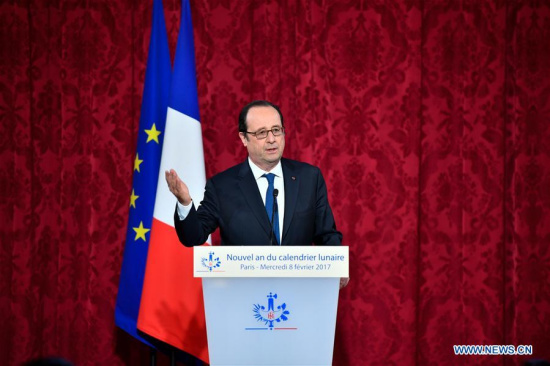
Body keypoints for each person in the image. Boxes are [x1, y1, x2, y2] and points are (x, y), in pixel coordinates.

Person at [165, 100, 348, 287]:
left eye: (276, 130)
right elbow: (193, 237)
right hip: (243, 297)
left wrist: (338, 266)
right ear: (244, 138)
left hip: (300, 294)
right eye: (261, 133)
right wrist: (185, 202)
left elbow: (327, 235)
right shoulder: (222, 186)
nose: (271, 139)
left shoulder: (309, 178)